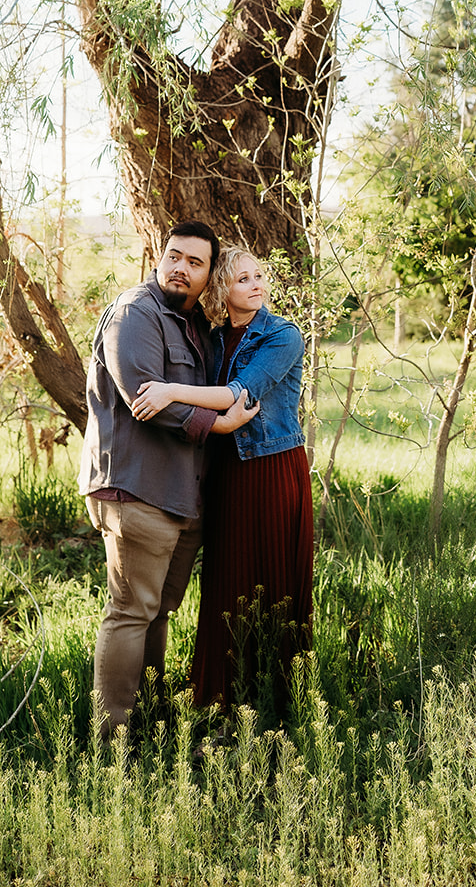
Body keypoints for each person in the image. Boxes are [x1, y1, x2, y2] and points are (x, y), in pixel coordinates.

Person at [81, 221, 257, 738]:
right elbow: (143, 397)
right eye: (174, 256)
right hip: (137, 487)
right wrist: (218, 423)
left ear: (209, 278)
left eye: (195, 262)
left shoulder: (196, 328)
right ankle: (113, 740)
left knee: (158, 611)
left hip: (182, 495)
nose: (181, 268)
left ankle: (151, 718)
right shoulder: (136, 314)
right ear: (159, 258)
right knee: (131, 611)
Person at [132, 249, 313, 716]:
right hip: (226, 472)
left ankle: (276, 702)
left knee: (272, 582)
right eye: (242, 279)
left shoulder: (282, 336)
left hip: (271, 468)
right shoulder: (212, 339)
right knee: (227, 581)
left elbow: (238, 394)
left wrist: (169, 390)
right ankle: (219, 698)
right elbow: (214, 410)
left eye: (259, 276)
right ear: (222, 290)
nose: (255, 285)